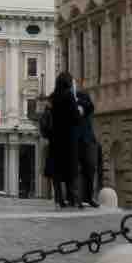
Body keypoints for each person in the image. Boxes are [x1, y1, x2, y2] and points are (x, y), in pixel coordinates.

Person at [45, 73, 83, 208]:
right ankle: (73, 199)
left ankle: (58, 199)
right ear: (68, 83)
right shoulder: (69, 97)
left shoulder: (53, 98)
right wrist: (80, 111)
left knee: (56, 170)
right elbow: (76, 118)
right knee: (70, 170)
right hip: (68, 139)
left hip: (55, 139)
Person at [75, 81, 100, 208]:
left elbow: (90, 106)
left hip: (87, 141)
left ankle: (88, 197)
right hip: (76, 141)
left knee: (89, 169)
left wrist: (80, 104)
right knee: (78, 171)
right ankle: (79, 198)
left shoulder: (86, 106)